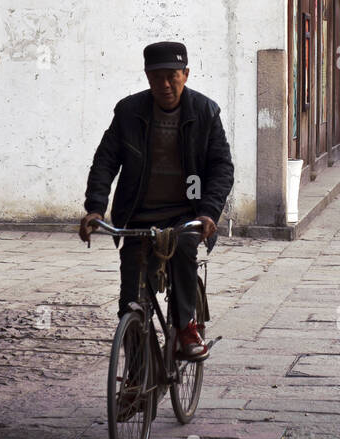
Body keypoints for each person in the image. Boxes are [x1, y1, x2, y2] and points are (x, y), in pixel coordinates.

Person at [79, 41, 234, 359]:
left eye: (171, 76)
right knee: (130, 304)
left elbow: (221, 167)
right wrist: (95, 208)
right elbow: (106, 160)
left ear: (186, 75)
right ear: (147, 77)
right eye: (156, 77)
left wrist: (208, 212)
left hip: (186, 211)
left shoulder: (205, 112)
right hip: (139, 215)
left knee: (184, 251)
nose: (164, 85)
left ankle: (184, 327)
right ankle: (137, 379)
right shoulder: (129, 112)